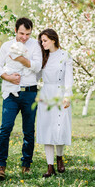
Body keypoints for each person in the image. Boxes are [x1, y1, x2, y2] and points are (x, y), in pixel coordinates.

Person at [0, 17, 42, 180]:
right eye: (22, 33)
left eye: (28, 34)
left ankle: (26, 164)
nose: (24, 37)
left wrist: (21, 59)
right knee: (5, 128)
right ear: (15, 30)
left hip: (29, 93)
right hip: (10, 93)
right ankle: (1, 166)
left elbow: (37, 66)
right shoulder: (6, 46)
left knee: (29, 131)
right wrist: (7, 77)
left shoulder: (35, 45)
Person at [36, 28, 73, 178]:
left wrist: (67, 96)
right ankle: (50, 166)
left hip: (61, 93)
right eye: (41, 41)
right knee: (47, 129)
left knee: (60, 127)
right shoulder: (42, 56)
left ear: (53, 40)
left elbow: (69, 77)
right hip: (46, 95)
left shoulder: (65, 55)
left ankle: (60, 158)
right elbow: (36, 75)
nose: (42, 43)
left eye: (44, 40)